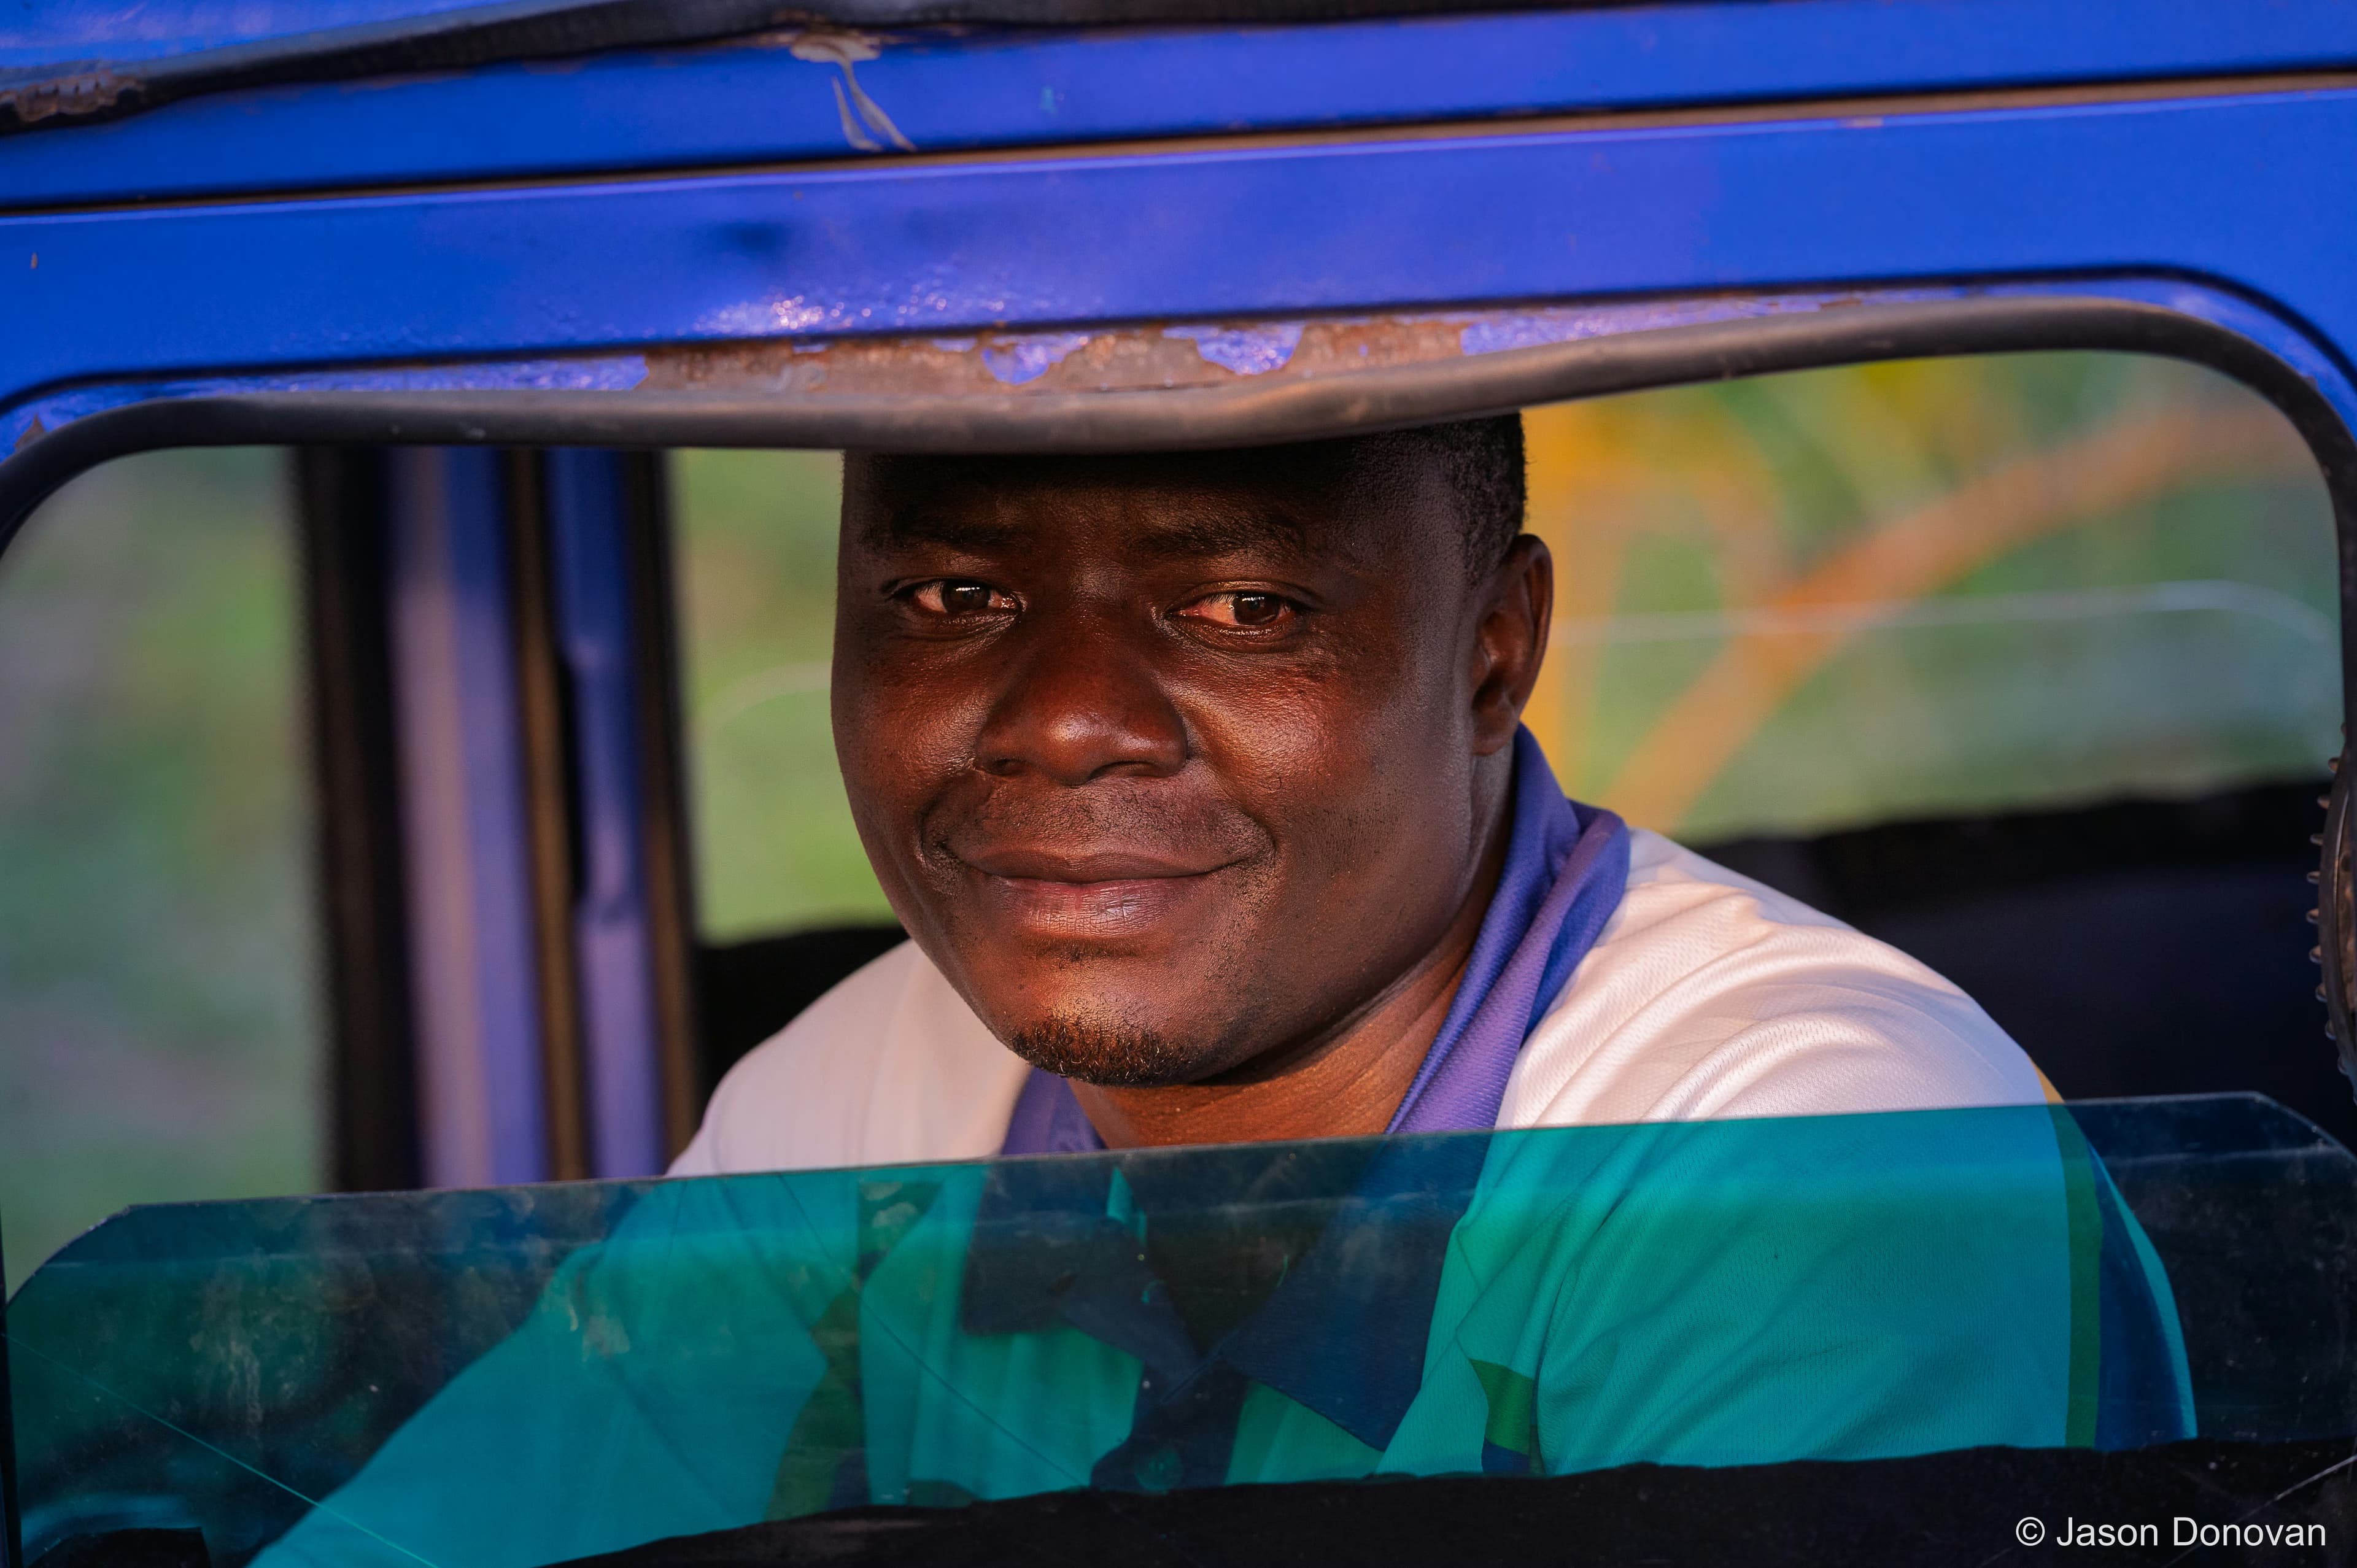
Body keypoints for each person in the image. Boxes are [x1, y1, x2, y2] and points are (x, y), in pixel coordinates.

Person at [675, 415, 2047, 1174]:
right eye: (954, 598)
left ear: (1492, 657)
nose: (1069, 725)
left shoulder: (1819, 1146)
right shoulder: (851, 1101)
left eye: (1242, 609)